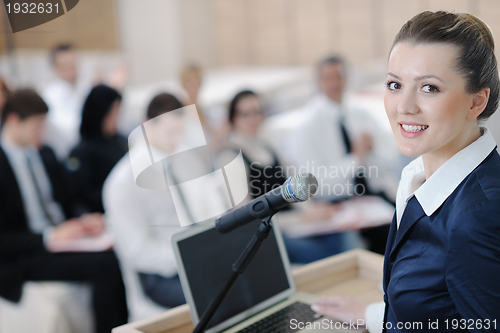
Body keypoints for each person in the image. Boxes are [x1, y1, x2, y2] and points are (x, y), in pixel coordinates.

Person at [312, 11, 500, 333]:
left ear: (476, 103)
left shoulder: (478, 214)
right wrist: (379, 315)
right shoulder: (417, 177)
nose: (404, 106)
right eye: (394, 84)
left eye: (429, 88)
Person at [0, 89, 128, 333]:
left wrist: (82, 220)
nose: (43, 133)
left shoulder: (45, 154)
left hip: (63, 239)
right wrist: (49, 237)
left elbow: (67, 201)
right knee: (105, 266)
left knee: (118, 249)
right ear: (14, 121)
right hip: (29, 253)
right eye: (37, 126)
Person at [103, 93, 225, 309]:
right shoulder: (123, 181)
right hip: (160, 274)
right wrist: (190, 256)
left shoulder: (184, 160)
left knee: (253, 279)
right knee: (219, 299)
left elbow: (211, 207)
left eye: (180, 132)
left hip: (198, 258)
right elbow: (138, 251)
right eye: (170, 133)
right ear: (147, 125)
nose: (176, 140)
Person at [226, 89, 350, 263]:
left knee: (340, 236)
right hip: (270, 232)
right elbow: (246, 219)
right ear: (233, 119)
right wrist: (300, 219)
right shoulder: (231, 158)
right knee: (322, 253)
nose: (253, 118)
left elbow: (294, 187)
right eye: (245, 114)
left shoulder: (270, 146)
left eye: (257, 112)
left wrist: (313, 211)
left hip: (296, 226)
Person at [291, 56, 399, 254]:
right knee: (385, 240)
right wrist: (355, 159)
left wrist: (372, 152)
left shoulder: (362, 114)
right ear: (318, 82)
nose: (334, 83)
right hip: (337, 204)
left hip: (373, 196)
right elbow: (316, 186)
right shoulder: (306, 127)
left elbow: (387, 163)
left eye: (339, 76)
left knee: (410, 224)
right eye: (328, 77)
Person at [66, 84, 127, 215]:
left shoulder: (120, 141)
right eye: (112, 113)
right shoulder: (81, 152)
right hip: (100, 216)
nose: (116, 118)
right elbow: (83, 196)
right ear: (99, 112)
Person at [42, 43, 92, 160]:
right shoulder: (50, 97)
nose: (72, 70)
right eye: (66, 66)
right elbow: (71, 133)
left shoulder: (84, 88)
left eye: (73, 65)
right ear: (55, 68)